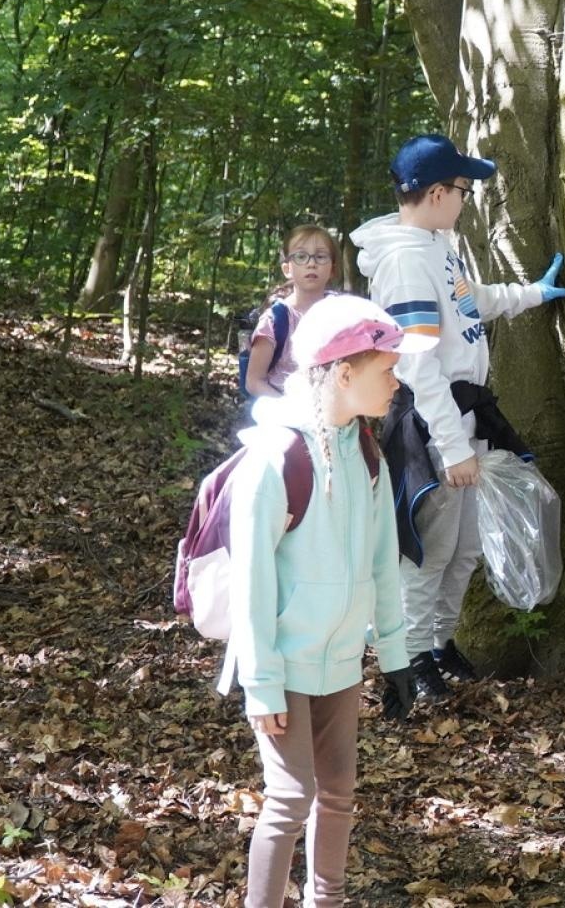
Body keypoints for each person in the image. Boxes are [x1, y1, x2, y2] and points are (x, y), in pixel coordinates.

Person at [350, 134, 565, 703]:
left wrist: (534, 295)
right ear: (437, 192)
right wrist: (452, 447)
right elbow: (419, 364)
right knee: (430, 552)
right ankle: (411, 659)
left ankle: (441, 644)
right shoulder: (403, 261)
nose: (467, 200)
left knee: (465, 547)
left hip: (465, 416)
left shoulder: (437, 246)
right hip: (431, 424)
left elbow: (474, 303)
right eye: (464, 190)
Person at [225, 295, 427, 907]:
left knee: (338, 790)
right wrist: (259, 684)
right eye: (386, 370)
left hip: (339, 662)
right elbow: (252, 583)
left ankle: (326, 901)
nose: (397, 382)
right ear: (344, 372)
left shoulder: (367, 452)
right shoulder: (276, 459)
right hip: (283, 664)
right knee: (290, 798)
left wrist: (395, 657)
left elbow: (380, 563)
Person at [245, 225, 338, 398]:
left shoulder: (343, 314)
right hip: (285, 415)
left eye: (320, 256)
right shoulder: (275, 321)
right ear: (287, 269)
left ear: (332, 268)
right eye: (301, 256)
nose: (311, 264)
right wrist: (289, 410)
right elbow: (253, 381)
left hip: (335, 417)